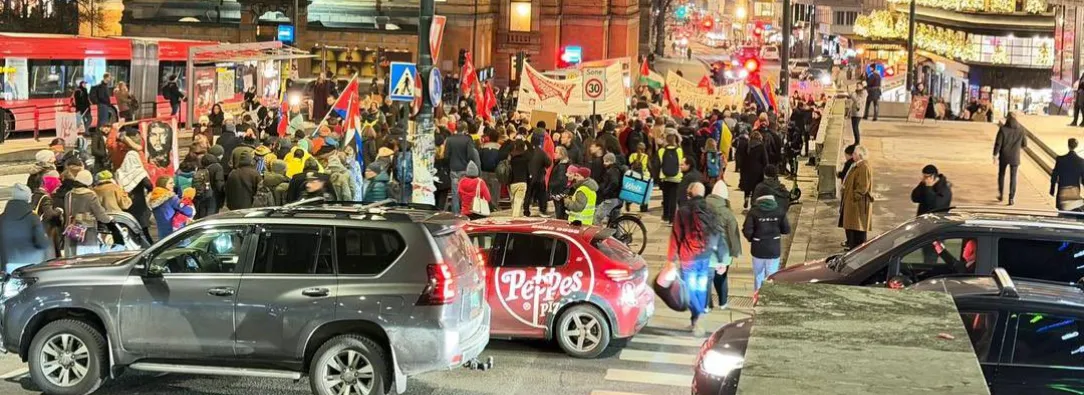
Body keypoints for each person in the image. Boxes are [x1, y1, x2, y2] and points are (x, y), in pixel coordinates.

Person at [668, 182, 725, 333]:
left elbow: (676, 236)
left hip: (688, 257)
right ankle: (696, 319)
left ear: (689, 194)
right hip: (705, 256)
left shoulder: (683, 211)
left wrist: (671, 259)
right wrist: (721, 259)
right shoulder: (711, 210)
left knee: (690, 288)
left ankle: (698, 314)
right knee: (701, 287)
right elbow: (718, 234)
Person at [705, 180, 741, 310]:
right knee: (721, 278)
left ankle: (706, 305)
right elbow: (733, 235)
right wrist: (735, 252)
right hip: (723, 253)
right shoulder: (727, 213)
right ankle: (723, 302)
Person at [743, 193, 791, 291]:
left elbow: (747, 230)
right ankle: (769, 295)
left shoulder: (753, 212)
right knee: (772, 276)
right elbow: (786, 230)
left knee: (758, 275)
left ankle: (758, 295)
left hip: (758, 248)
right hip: (773, 247)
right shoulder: (779, 211)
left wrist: (753, 239)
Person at [0, 184, 53, 272]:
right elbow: (42, 243)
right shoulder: (33, 218)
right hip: (31, 266)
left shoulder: (2, 218)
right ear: (28, 198)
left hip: (7, 265)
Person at [63, 170, 113, 256]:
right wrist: (109, 219)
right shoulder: (90, 195)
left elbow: (68, 213)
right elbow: (101, 215)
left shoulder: (69, 195)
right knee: (88, 258)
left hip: (71, 232)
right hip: (87, 234)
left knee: (73, 258)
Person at [115, 151, 153, 242]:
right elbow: (149, 185)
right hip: (139, 203)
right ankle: (148, 245)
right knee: (143, 229)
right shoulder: (140, 172)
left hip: (127, 203)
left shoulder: (119, 172)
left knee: (129, 226)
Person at [841, 146, 873, 249]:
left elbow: (863, 186)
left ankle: (856, 249)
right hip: (853, 202)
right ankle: (852, 246)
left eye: (855, 153)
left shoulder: (863, 167)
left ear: (860, 155)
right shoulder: (857, 165)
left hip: (857, 204)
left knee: (858, 230)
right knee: (853, 228)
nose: (853, 155)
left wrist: (854, 197)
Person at [445, 122, 480, 211]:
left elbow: (446, 155)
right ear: (465, 129)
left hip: (453, 169)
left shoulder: (450, 139)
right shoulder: (468, 139)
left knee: (455, 193)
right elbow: (470, 155)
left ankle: (456, 212)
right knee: (465, 192)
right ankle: (465, 211)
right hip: (464, 169)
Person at [993, 112, 1027, 205]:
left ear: (1007, 118)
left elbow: (998, 143)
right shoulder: (1021, 129)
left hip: (1004, 156)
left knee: (1001, 174)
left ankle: (1001, 194)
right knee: (1013, 177)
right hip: (1015, 156)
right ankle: (1011, 198)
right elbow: (1025, 144)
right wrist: (1017, 148)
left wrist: (995, 154)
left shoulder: (1003, 129)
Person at [149, 176, 193, 240]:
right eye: (170, 183)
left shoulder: (153, 198)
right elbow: (188, 211)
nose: (173, 184)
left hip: (162, 233)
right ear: (163, 184)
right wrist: (191, 208)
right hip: (176, 232)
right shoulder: (171, 198)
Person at [1051, 138, 1084, 209]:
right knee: (1073, 210)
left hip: (1062, 190)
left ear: (1068, 145)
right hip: (1075, 191)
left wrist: (1052, 189)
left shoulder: (1060, 159)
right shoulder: (1081, 161)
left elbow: (1054, 175)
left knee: (1062, 210)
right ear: (1076, 146)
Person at [739, 131, 769, 209]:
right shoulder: (761, 147)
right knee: (755, 188)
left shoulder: (747, 146)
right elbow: (765, 160)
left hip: (747, 169)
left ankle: (746, 198)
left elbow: (742, 158)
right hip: (758, 171)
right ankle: (753, 202)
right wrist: (766, 169)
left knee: (747, 186)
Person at [658, 134, 684, 223]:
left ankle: (665, 216)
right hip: (676, 177)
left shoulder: (661, 151)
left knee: (666, 197)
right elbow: (680, 162)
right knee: (673, 198)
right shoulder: (679, 150)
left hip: (664, 176)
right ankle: (672, 218)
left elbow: (660, 162)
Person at [525, 137, 553, 216]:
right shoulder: (542, 152)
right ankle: (542, 210)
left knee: (528, 194)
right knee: (542, 195)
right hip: (539, 177)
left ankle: (526, 211)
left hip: (529, 176)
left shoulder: (527, 152)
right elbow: (548, 163)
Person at [595, 153, 624, 224]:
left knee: (596, 217)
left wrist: (606, 191)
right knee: (614, 222)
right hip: (618, 198)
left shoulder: (612, 170)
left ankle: (597, 231)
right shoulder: (618, 169)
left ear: (611, 161)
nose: (604, 163)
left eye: (606, 161)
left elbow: (614, 183)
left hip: (611, 199)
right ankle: (615, 231)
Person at [508, 141, 531, 218]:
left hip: (512, 183)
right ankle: (515, 218)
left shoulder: (511, 158)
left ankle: (514, 215)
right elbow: (528, 171)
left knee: (513, 202)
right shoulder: (526, 159)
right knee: (518, 202)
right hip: (522, 182)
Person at [550, 146, 572, 219]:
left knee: (560, 213)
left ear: (562, 154)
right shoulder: (561, 163)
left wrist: (550, 186)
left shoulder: (562, 166)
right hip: (560, 192)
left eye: (556, 152)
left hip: (558, 193)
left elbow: (560, 180)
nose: (554, 154)